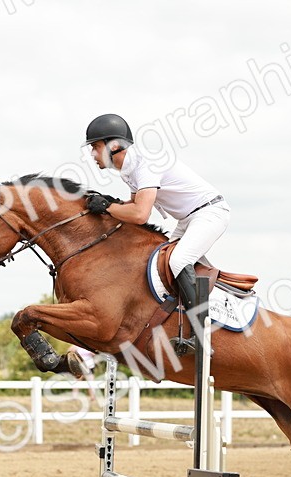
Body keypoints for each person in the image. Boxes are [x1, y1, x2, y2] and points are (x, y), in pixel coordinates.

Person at [82, 113, 230, 354]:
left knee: (178, 260)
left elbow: (140, 215)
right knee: (158, 264)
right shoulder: (128, 170)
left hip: (210, 213)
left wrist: (107, 207)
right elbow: (131, 207)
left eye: (96, 147)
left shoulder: (145, 164)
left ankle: (202, 336)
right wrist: (108, 204)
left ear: (114, 146)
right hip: (189, 218)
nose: (92, 154)